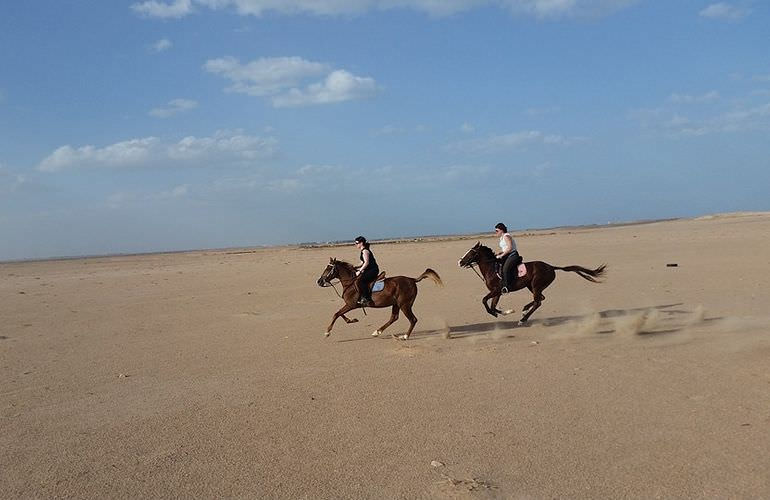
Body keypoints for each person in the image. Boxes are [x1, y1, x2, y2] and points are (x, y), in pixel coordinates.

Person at [494, 222, 522, 294]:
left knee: (505, 269)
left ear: (501, 230)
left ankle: (506, 287)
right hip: (507, 254)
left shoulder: (506, 236)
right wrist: (499, 253)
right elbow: (504, 248)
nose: (496, 232)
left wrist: (502, 255)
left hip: (512, 255)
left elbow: (509, 248)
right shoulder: (502, 238)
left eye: (497, 231)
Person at [354, 236, 379, 306]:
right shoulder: (363, 251)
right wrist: (356, 267)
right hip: (368, 270)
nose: (356, 245)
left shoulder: (365, 251)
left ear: (361, 243)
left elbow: (366, 263)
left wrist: (359, 271)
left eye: (357, 243)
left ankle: (366, 298)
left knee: (361, 281)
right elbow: (362, 262)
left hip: (372, 270)